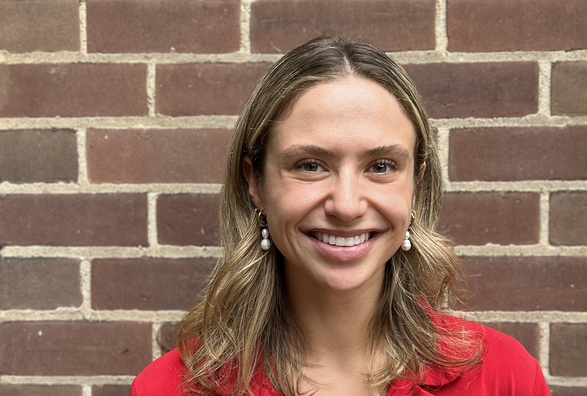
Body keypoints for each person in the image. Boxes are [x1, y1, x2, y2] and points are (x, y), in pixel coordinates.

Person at [130, 37, 550, 396]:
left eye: (381, 166)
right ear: (254, 181)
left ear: (416, 184)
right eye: (311, 165)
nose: (347, 206)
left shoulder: (503, 377)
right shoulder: (170, 387)